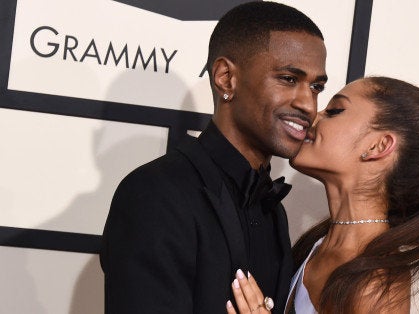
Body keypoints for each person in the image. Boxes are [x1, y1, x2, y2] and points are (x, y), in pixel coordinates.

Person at [99, 2, 328, 313]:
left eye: (316, 87)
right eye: (289, 79)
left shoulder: (273, 211)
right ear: (226, 78)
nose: (308, 105)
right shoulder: (155, 193)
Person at [226, 77, 419, 313]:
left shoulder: (377, 285)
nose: (313, 115)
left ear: (379, 145)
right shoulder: (316, 245)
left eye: (334, 111)